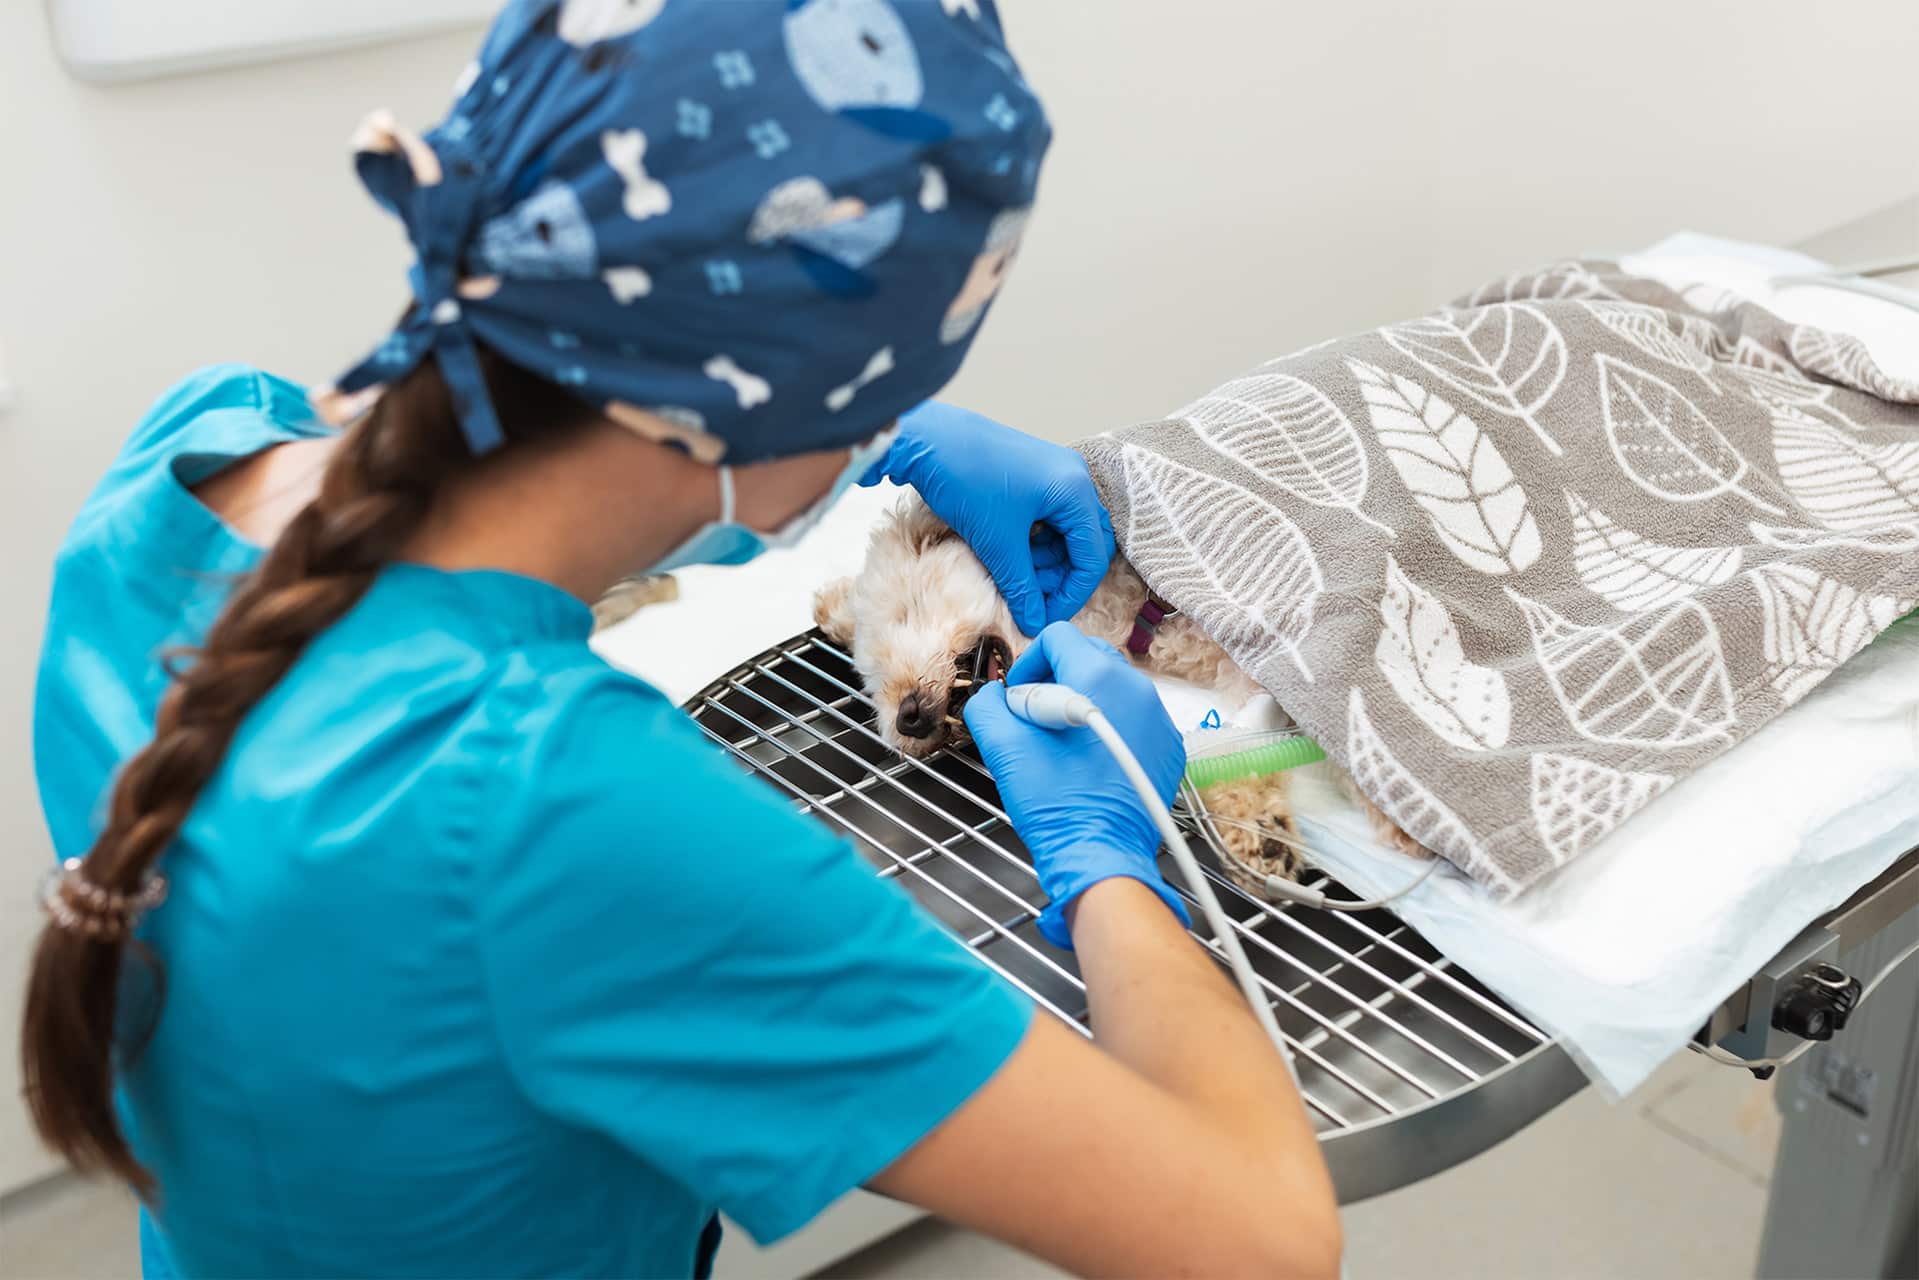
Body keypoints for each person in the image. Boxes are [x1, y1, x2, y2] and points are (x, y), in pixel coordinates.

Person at [23, 3, 1341, 1276]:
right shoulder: (565, 805)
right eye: (883, 397)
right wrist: (1109, 850)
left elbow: (547, 495)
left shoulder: (188, 458)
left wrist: (866, 443)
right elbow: (1260, 1244)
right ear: (766, 410)